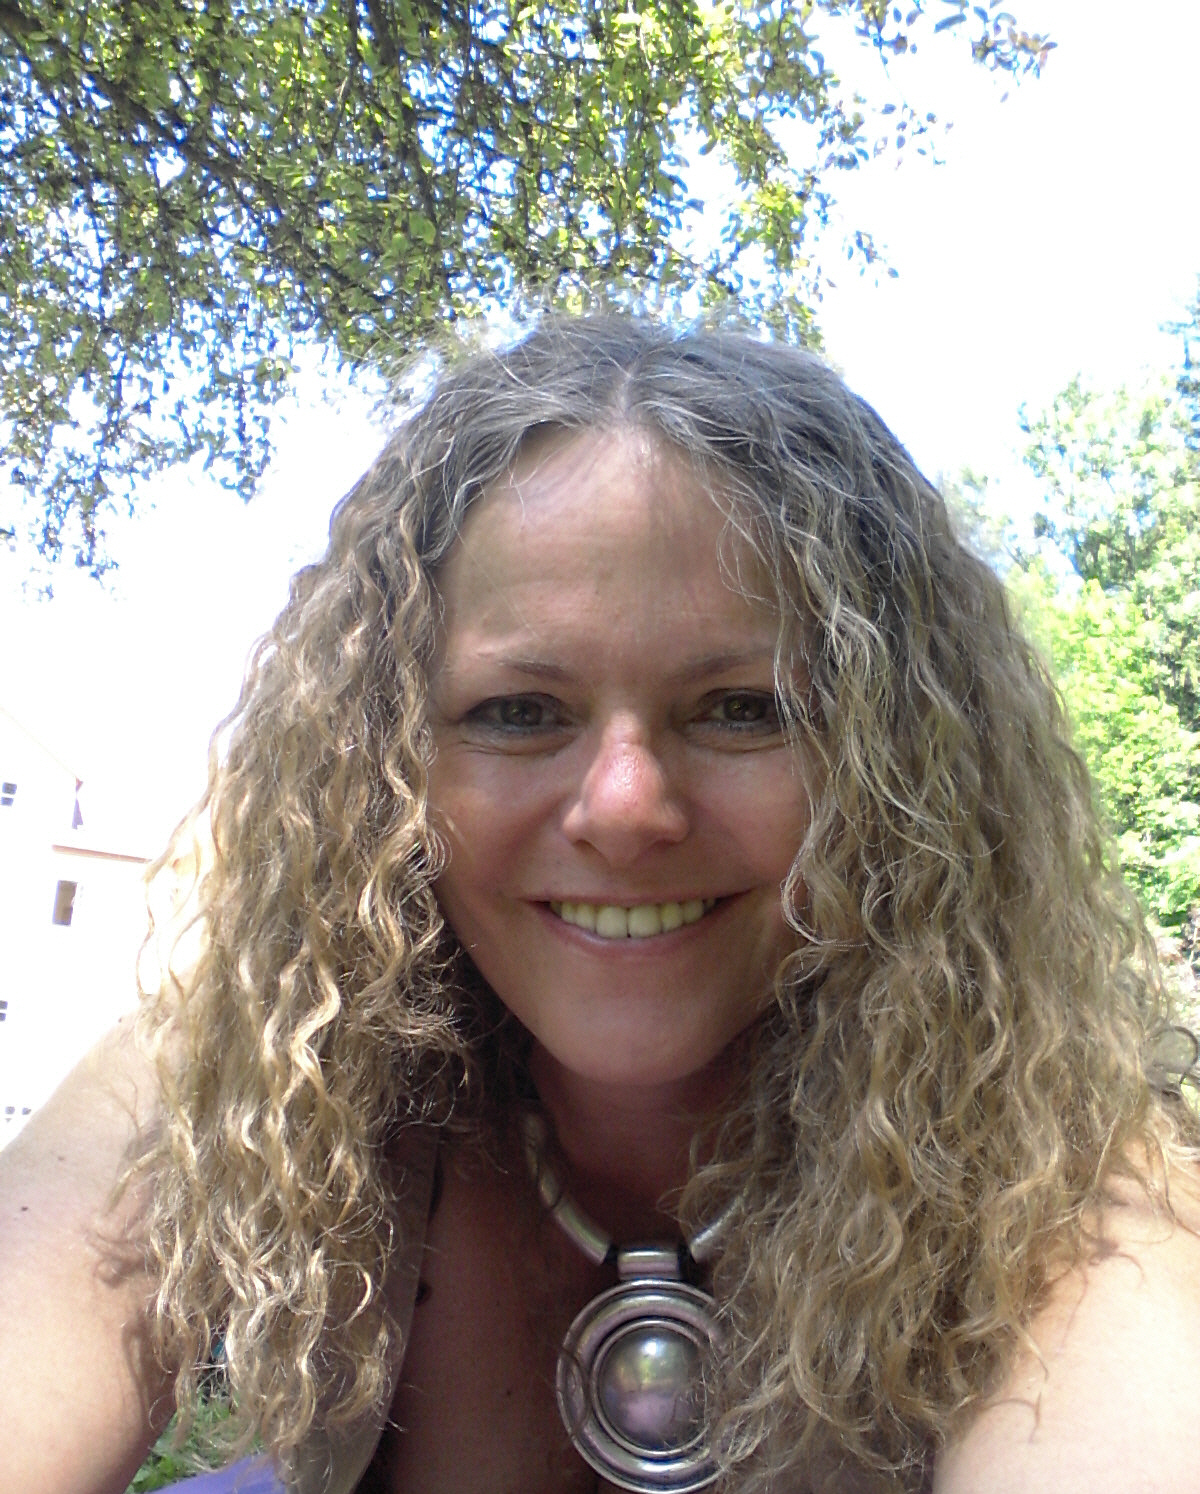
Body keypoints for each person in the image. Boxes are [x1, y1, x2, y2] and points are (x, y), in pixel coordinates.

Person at [2, 315, 1199, 1494]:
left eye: (744, 708)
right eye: (518, 712)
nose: (624, 808)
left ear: (907, 765)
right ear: (381, 768)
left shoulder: (1064, 1166)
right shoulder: (261, 1068)